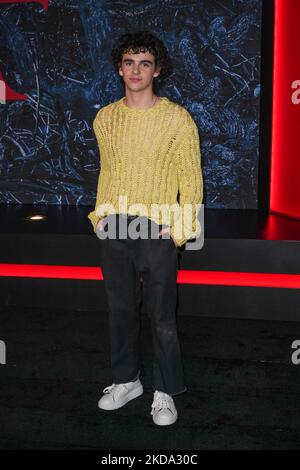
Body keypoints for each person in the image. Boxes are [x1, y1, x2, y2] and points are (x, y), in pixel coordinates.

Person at [88, 30, 203, 426]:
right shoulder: (105, 118)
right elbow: (109, 172)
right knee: (119, 310)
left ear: (157, 70)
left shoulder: (177, 119)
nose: (136, 70)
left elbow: (191, 181)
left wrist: (177, 229)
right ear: (119, 68)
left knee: (161, 316)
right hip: (114, 228)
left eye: (145, 63)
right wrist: (100, 217)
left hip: (157, 230)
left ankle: (165, 391)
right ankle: (126, 380)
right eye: (129, 62)